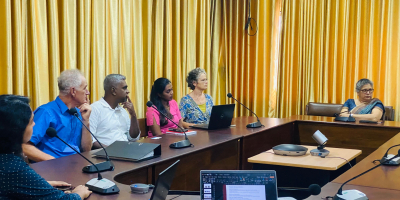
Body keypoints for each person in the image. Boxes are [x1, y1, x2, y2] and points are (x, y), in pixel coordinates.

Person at [0, 95, 92, 199]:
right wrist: (79, 193)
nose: (34, 124)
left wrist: (38, 185)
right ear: (17, 128)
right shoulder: (11, 165)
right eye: (31, 122)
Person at [22, 69, 92, 162]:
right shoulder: (46, 112)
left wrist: (86, 121)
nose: (87, 92)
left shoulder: (79, 113)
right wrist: (54, 162)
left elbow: (86, 150)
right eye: (84, 88)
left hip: (76, 164)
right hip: (51, 168)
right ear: (73, 91)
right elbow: (25, 146)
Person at [89, 74, 140, 148]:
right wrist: (112, 151)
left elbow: (133, 138)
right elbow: (91, 140)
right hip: (106, 155)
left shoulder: (122, 111)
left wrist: (133, 115)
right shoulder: (95, 109)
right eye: (124, 88)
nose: (128, 91)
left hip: (126, 150)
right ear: (113, 91)